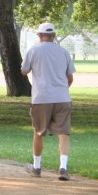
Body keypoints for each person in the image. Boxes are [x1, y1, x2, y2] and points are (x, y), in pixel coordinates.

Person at [21, 22, 76, 181]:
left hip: (41, 98)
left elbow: (24, 71)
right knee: (64, 132)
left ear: (39, 35)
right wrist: (61, 89)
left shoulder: (33, 50)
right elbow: (70, 78)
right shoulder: (63, 52)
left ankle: (37, 167)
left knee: (39, 131)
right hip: (62, 97)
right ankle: (63, 168)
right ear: (54, 36)